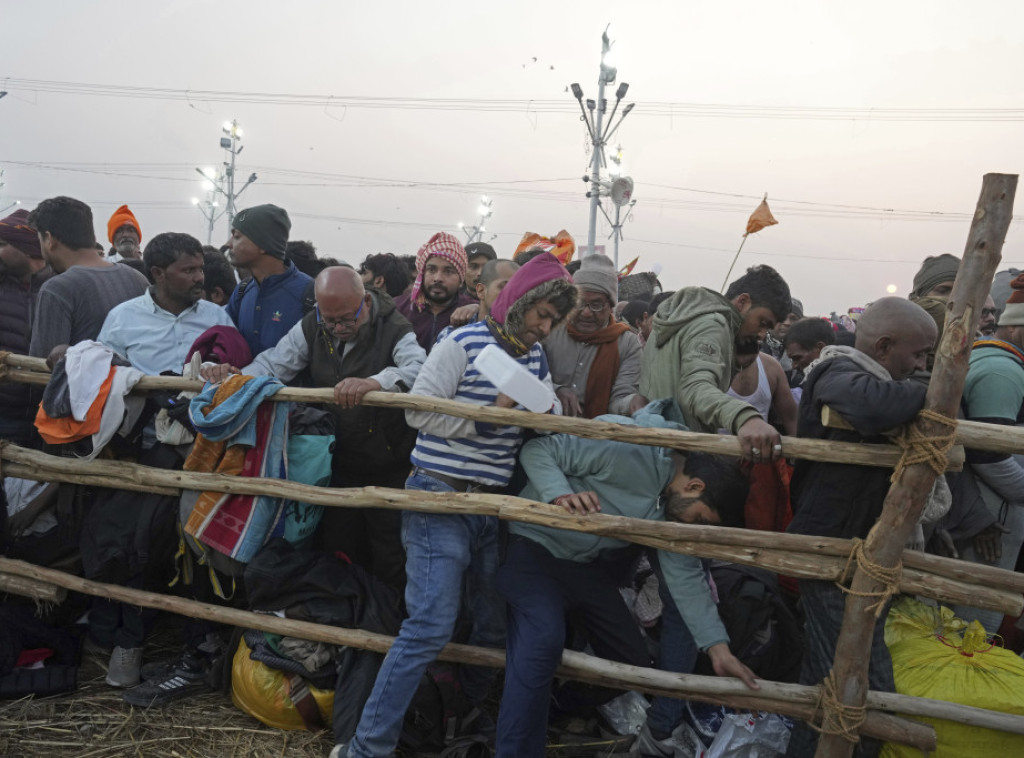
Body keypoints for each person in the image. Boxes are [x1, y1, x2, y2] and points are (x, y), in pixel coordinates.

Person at [343, 253, 578, 758]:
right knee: (429, 624)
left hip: (491, 508)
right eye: (541, 313)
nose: (544, 326)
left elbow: (526, 429)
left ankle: (456, 717)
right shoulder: (461, 342)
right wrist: (485, 420)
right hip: (439, 493)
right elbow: (418, 411)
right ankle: (367, 747)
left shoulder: (534, 358)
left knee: (491, 625)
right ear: (520, 300)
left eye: (554, 320)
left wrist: (546, 412)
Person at [496, 413, 757, 757]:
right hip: (532, 551)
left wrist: (718, 649)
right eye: (699, 519)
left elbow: (686, 577)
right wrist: (559, 494)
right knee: (543, 638)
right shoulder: (630, 449)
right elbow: (539, 450)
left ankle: (554, 706)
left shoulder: (672, 511)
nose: (692, 526)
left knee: (630, 662)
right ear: (695, 487)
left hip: (583, 569)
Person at [202, 266, 426, 588]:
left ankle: (387, 625)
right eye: (330, 320)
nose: (338, 328)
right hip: (338, 459)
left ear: (365, 301)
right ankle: (342, 617)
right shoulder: (313, 325)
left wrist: (375, 382)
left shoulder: (395, 327)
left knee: (390, 551)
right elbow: (275, 362)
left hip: (389, 463)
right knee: (337, 546)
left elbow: (418, 368)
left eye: (348, 319)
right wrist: (238, 381)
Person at [785, 297, 937, 758]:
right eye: (919, 356)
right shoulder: (836, 372)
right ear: (885, 346)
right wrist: (937, 390)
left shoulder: (877, 376)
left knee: (826, 675)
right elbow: (872, 408)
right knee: (862, 681)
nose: (922, 366)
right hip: (832, 550)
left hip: (856, 549)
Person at [640, 264, 792, 462]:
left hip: (656, 451)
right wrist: (746, 418)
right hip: (676, 460)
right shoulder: (714, 324)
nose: (762, 334)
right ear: (743, 302)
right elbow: (695, 388)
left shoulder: (691, 318)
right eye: (762, 323)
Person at [952, 273, 1024, 632]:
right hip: (993, 515)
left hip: (992, 511)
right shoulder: (1001, 370)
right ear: (1017, 327)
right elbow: (988, 453)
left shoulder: (999, 361)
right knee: (974, 621)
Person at [27, 196, 149, 362]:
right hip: (139, 386)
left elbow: (41, 371)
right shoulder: (138, 279)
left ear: (49, 239)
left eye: (40, 240)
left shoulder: (57, 289)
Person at [98, 233, 235, 376]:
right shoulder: (121, 318)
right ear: (158, 273)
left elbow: (236, 365)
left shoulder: (217, 316)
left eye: (200, 269)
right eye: (189, 270)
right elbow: (105, 374)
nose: (199, 278)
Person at [544, 253, 646, 418]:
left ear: (611, 305)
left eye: (597, 304)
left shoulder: (627, 344)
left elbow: (620, 397)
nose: (586, 312)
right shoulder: (550, 330)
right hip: (544, 428)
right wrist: (556, 390)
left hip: (596, 436)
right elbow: (532, 377)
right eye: (579, 303)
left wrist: (632, 402)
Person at [224, 203, 312, 356]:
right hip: (242, 380)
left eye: (237, 236)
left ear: (263, 245)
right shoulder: (242, 291)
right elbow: (225, 342)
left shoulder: (309, 294)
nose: (229, 244)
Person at [0, 208, 53, 446]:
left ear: (28, 247)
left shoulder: (62, 287)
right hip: (5, 414)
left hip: (50, 413)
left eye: (2, 244)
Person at [394, 232, 475, 352]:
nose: (438, 278)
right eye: (431, 270)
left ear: (460, 280)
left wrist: (479, 309)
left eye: (448, 271)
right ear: (422, 274)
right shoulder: (398, 308)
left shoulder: (472, 312)